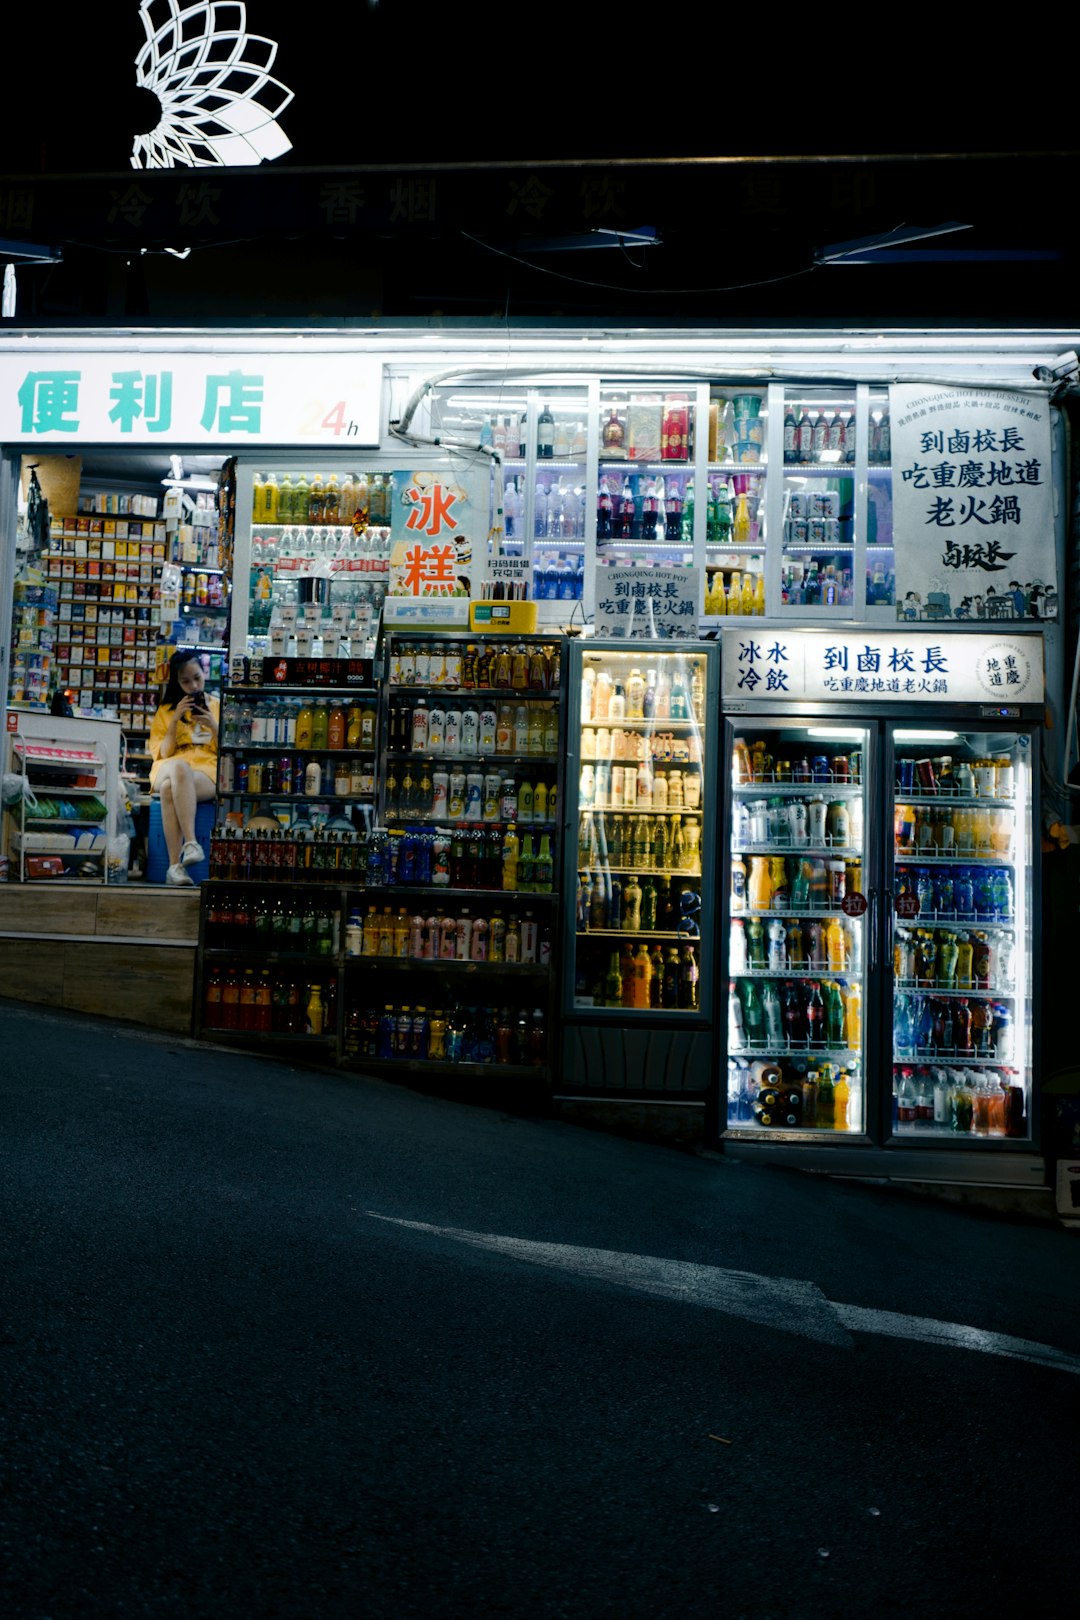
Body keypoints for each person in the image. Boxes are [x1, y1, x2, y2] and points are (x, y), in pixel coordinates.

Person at [148, 649, 219, 886]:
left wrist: (214, 725)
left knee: (169, 789)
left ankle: (174, 868)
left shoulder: (219, 706)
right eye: (185, 681)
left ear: (204, 672)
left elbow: (228, 753)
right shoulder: (167, 710)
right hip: (169, 765)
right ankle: (190, 842)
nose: (193, 685)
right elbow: (164, 753)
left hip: (206, 770)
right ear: (177, 682)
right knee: (178, 768)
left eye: (197, 678)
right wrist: (175, 719)